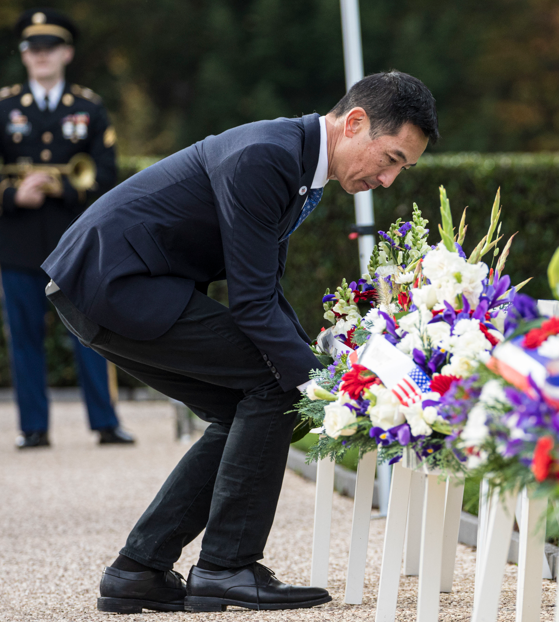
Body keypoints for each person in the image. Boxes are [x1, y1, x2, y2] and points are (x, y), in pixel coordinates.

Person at [43, 70, 439, 612]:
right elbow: (250, 305)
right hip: (114, 282)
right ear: (355, 123)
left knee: (247, 406)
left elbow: (265, 293)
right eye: (391, 158)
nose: (390, 179)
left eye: (403, 169)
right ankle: (226, 567)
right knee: (275, 391)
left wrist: (328, 367)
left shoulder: (297, 162)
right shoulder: (268, 156)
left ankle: (137, 570)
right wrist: (326, 388)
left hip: (114, 284)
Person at [0, 8, 132, 449]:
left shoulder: (89, 107)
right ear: (24, 55)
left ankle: (105, 423)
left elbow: (108, 171)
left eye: (49, 48)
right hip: (17, 241)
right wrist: (12, 195)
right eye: (32, 49)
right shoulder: (4, 107)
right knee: (24, 337)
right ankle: (33, 428)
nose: (40, 56)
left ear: (66, 53)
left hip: (76, 240)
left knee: (92, 334)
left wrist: (64, 190)